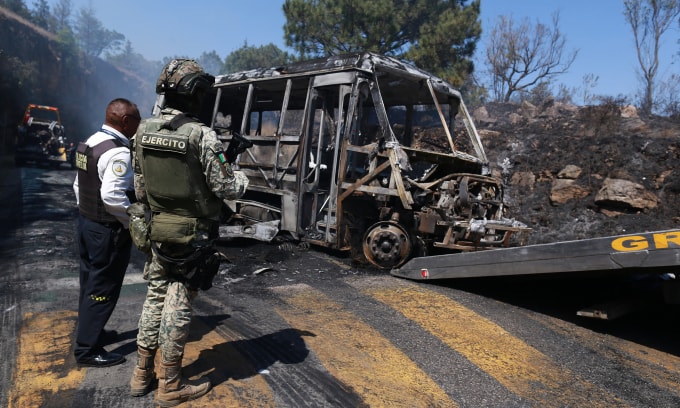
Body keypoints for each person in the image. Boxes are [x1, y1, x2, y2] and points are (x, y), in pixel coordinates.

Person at [129, 59, 248, 406]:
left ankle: (141, 374)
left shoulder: (142, 129)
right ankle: (170, 384)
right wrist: (240, 176)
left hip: (157, 230)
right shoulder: (200, 134)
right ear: (194, 94)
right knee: (178, 304)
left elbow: (139, 188)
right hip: (191, 237)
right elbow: (227, 187)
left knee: (154, 298)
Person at [72, 98, 141, 367]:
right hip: (106, 230)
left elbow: (79, 185)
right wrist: (131, 221)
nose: (138, 125)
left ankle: (91, 331)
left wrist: (88, 213)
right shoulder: (119, 153)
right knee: (103, 288)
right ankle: (87, 350)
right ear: (126, 122)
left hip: (87, 223)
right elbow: (113, 196)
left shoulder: (89, 142)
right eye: (136, 120)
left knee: (89, 282)